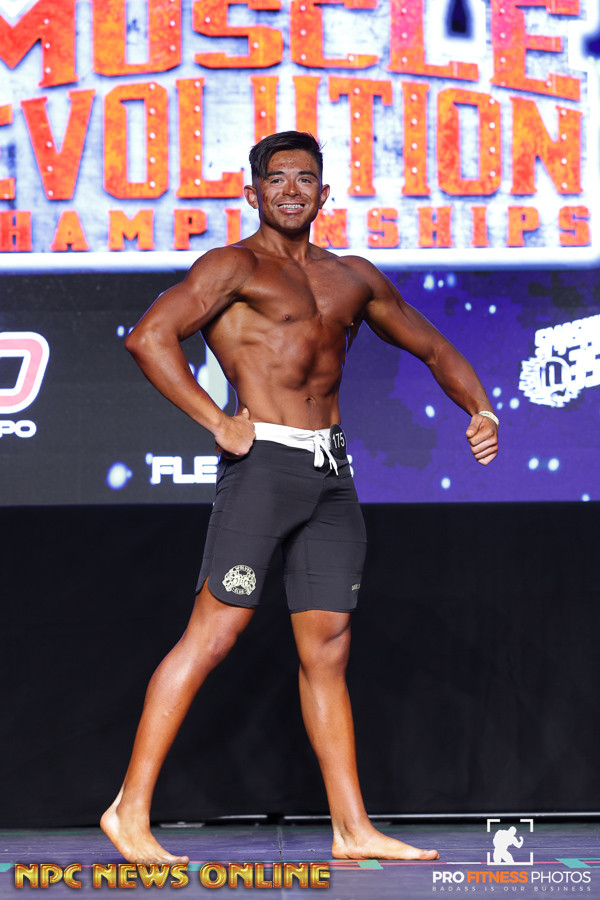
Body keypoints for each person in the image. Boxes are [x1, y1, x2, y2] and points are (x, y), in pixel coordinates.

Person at [101, 131, 498, 865]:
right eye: (276, 178)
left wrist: (480, 409)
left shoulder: (352, 276)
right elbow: (149, 337)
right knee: (213, 636)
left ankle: (351, 828)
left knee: (329, 648)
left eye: (304, 179)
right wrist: (217, 421)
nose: (291, 190)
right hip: (263, 467)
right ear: (251, 192)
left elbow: (434, 346)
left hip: (331, 473)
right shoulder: (232, 266)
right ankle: (128, 811)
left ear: (325, 193)